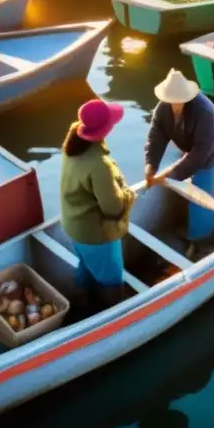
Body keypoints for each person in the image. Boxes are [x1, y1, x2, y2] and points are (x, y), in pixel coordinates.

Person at [60, 99, 134, 311]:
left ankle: (81, 308)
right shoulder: (100, 166)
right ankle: (111, 316)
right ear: (105, 130)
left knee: (85, 268)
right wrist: (128, 193)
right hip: (95, 235)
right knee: (111, 281)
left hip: (73, 226)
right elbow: (113, 208)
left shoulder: (72, 142)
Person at [144, 69, 214, 256]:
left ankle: (203, 241)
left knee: (200, 198)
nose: (173, 103)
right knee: (181, 185)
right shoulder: (162, 108)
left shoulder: (205, 113)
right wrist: (151, 165)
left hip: (207, 155)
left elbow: (201, 152)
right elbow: (156, 136)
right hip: (187, 147)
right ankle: (186, 227)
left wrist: (171, 174)